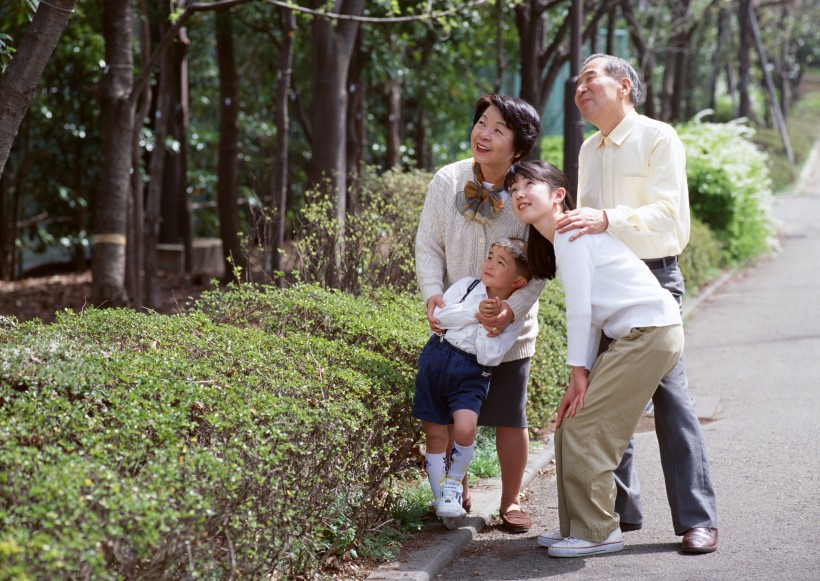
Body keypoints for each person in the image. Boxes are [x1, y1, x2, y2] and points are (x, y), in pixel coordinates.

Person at [553, 53, 719, 554]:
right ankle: (621, 511)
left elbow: (671, 217)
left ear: (624, 85)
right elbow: (582, 224)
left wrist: (607, 218)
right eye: (577, 82)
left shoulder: (657, 136)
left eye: (590, 79)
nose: (580, 88)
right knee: (607, 395)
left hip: (652, 280)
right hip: (606, 284)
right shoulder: (587, 148)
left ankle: (698, 519)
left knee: (670, 399)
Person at [507, 160, 684, 557]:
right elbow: (588, 319)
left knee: (588, 427)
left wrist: (578, 374)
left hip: (650, 332)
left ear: (558, 194)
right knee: (571, 423)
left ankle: (601, 531)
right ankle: (578, 526)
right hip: (637, 335)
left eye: (528, 183)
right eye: (513, 186)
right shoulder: (561, 239)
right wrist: (578, 376)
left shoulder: (571, 234)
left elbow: (581, 312)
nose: (518, 192)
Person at [415, 94, 545, 534]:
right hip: (454, 326)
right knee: (452, 418)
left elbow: (543, 267)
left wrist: (511, 310)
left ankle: (510, 503)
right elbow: (428, 245)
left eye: (497, 129)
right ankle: (457, 489)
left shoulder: (528, 192)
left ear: (519, 148)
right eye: (481, 123)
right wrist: (433, 295)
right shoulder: (447, 180)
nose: (483, 135)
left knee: (510, 416)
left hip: (507, 331)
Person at [414, 238, 532, 529]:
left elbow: (490, 356)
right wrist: (476, 313)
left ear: (518, 281)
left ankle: (454, 485)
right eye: (490, 257)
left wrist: (490, 326)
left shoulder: (513, 315)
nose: (489, 264)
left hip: (472, 370)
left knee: (466, 427)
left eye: (500, 262)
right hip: (436, 360)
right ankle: (441, 494)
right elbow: (441, 318)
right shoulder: (466, 286)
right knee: (435, 433)